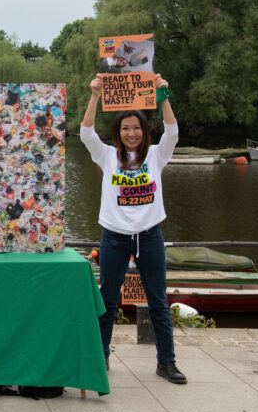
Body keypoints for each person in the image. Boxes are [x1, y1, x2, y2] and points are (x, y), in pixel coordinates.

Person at [80, 72, 186, 385]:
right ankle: (101, 357)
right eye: (125, 128)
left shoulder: (156, 156)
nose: (130, 133)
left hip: (150, 238)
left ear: (143, 131)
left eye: (136, 128)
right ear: (118, 132)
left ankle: (166, 362)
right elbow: (86, 133)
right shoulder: (107, 156)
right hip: (113, 239)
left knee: (157, 301)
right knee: (108, 300)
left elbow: (172, 131)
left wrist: (162, 95)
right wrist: (95, 95)